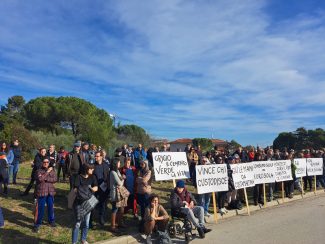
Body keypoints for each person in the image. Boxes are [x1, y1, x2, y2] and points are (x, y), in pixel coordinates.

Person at [72, 163, 98, 244]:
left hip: (90, 201)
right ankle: (74, 242)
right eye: (91, 169)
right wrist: (85, 190)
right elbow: (75, 190)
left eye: (93, 168)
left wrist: (92, 189)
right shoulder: (78, 177)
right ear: (86, 169)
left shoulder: (93, 177)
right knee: (77, 223)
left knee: (86, 223)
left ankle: (83, 240)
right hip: (79, 202)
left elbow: (96, 187)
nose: (92, 170)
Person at [33, 158, 57, 233]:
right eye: (44, 162)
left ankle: (51, 221)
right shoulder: (38, 171)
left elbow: (55, 179)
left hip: (50, 192)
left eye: (47, 162)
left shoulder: (53, 170)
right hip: (42, 192)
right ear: (42, 163)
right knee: (40, 209)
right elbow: (40, 179)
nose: (46, 163)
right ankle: (37, 224)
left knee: (51, 208)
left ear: (49, 163)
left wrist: (46, 179)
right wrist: (47, 172)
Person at [92, 151, 110, 226]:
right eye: (95, 156)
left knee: (103, 203)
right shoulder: (93, 166)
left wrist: (106, 182)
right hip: (95, 188)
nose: (96, 157)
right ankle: (91, 218)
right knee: (93, 203)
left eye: (97, 156)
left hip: (104, 187)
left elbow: (108, 175)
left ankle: (101, 217)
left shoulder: (106, 165)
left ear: (101, 157)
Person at [109, 158, 127, 232]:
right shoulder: (113, 172)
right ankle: (112, 226)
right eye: (119, 163)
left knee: (121, 208)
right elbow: (120, 183)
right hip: (115, 194)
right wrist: (123, 179)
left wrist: (121, 178)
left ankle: (120, 222)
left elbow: (120, 180)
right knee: (115, 209)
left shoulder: (117, 171)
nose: (120, 164)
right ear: (115, 164)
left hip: (119, 193)